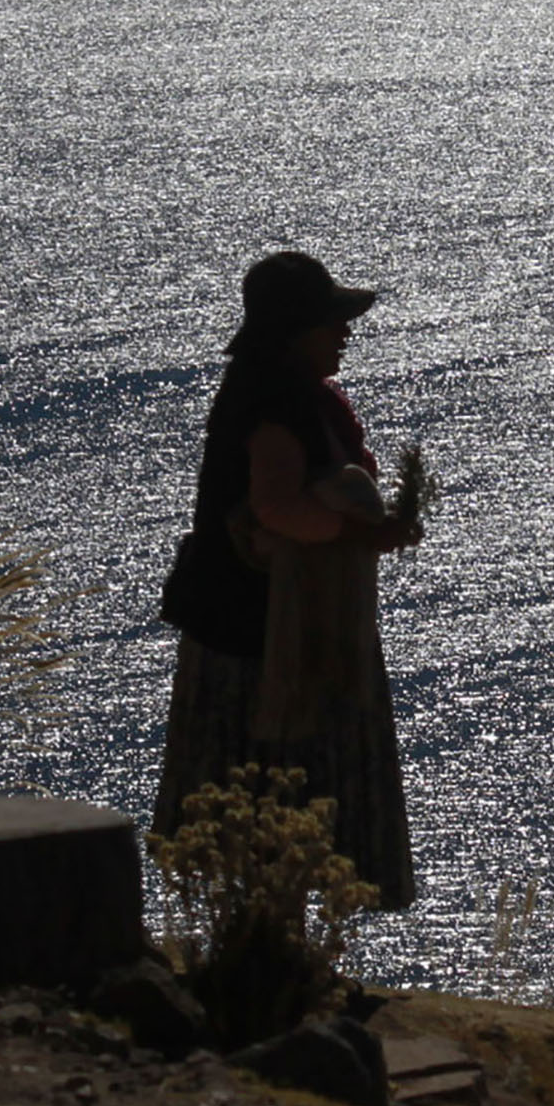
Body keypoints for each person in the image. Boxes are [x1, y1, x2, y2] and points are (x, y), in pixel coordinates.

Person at [155, 250, 420, 906]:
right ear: (295, 330)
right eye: (331, 321)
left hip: (254, 625)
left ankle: (271, 934)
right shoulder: (276, 402)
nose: (344, 332)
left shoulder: (276, 390)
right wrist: (363, 534)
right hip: (266, 640)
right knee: (280, 784)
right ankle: (274, 938)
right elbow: (276, 509)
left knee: (261, 810)